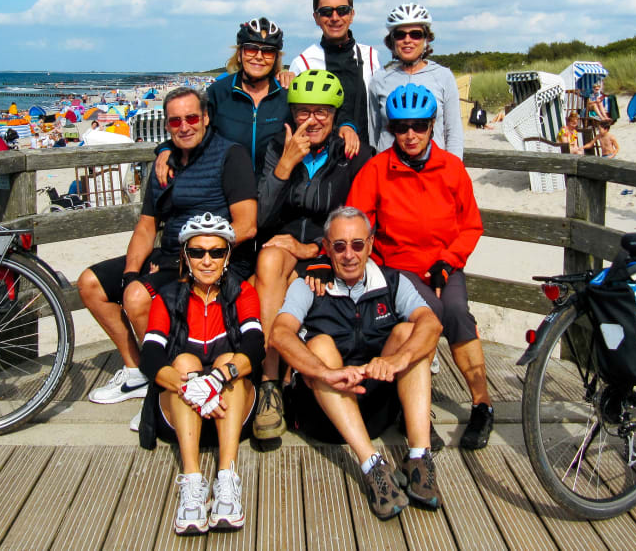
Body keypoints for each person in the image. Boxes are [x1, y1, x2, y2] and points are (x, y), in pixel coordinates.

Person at [77, 88, 258, 422]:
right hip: (168, 253)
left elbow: (246, 225)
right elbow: (147, 226)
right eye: (175, 120)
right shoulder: (166, 163)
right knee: (90, 284)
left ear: (205, 118)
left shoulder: (230, 155)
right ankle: (137, 371)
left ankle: (166, 382)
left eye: (192, 117)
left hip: (211, 258)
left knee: (135, 299)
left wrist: (198, 255)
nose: (184, 126)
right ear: (167, 124)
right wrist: (132, 273)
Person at [346, 84, 496, 450]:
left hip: (444, 263)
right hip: (397, 268)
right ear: (390, 129)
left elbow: (471, 225)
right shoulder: (376, 169)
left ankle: (482, 404)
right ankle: (416, 410)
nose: (410, 135)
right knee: (428, 313)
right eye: (400, 127)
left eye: (418, 126)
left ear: (432, 125)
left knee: (459, 313)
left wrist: (449, 261)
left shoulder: (452, 168)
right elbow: (357, 223)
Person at [270, 206, 444, 519]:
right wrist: (326, 372)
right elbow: (280, 335)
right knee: (320, 343)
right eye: (339, 246)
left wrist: (395, 360)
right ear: (326, 249)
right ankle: (372, 465)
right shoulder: (309, 284)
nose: (349, 254)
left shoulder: (392, 282)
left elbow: (431, 324)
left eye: (357, 244)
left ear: (371, 244)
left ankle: (419, 457)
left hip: (375, 406)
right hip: (323, 413)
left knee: (411, 333)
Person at [251, 70, 372, 441]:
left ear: (337, 116)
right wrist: (285, 166)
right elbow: (260, 219)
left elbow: (357, 220)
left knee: (279, 271)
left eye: (322, 112)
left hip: (328, 249)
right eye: (303, 112)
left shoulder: (352, 151)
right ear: (292, 114)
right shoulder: (277, 146)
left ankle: (280, 380)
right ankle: (271, 383)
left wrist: (314, 248)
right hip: (283, 244)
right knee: (271, 260)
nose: (312, 120)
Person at [136, 213, 264, 535]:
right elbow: (150, 356)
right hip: (181, 413)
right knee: (183, 362)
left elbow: (255, 346)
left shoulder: (243, 293)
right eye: (197, 252)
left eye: (216, 252)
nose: (207, 260)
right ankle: (192, 483)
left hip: (231, 413)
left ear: (227, 256)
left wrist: (219, 379)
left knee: (229, 359)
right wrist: (191, 385)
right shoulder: (167, 297)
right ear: (185, 256)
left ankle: (226, 478)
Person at [152, 18, 289, 188]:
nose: (259, 57)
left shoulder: (285, 96)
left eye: (268, 51)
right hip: (227, 195)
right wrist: (166, 149)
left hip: (274, 195)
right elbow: (193, 128)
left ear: (275, 58)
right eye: (251, 49)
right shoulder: (218, 92)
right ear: (240, 54)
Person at [292, 0, 381, 159]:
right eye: (326, 12)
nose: (335, 18)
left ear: (352, 14)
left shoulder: (371, 57)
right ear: (316, 18)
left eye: (342, 10)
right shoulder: (303, 62)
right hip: (323, 164)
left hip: (367, 157)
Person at [368, 4, 464, 158]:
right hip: (389, 172)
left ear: (426, 39)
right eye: (400, 34)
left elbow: (453, 133)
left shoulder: (443, 76)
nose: (408, 40)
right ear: (392, 40)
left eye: (415, 34)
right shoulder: (379, 80)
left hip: (432, 172)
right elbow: (374, 133)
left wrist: (454, 171)